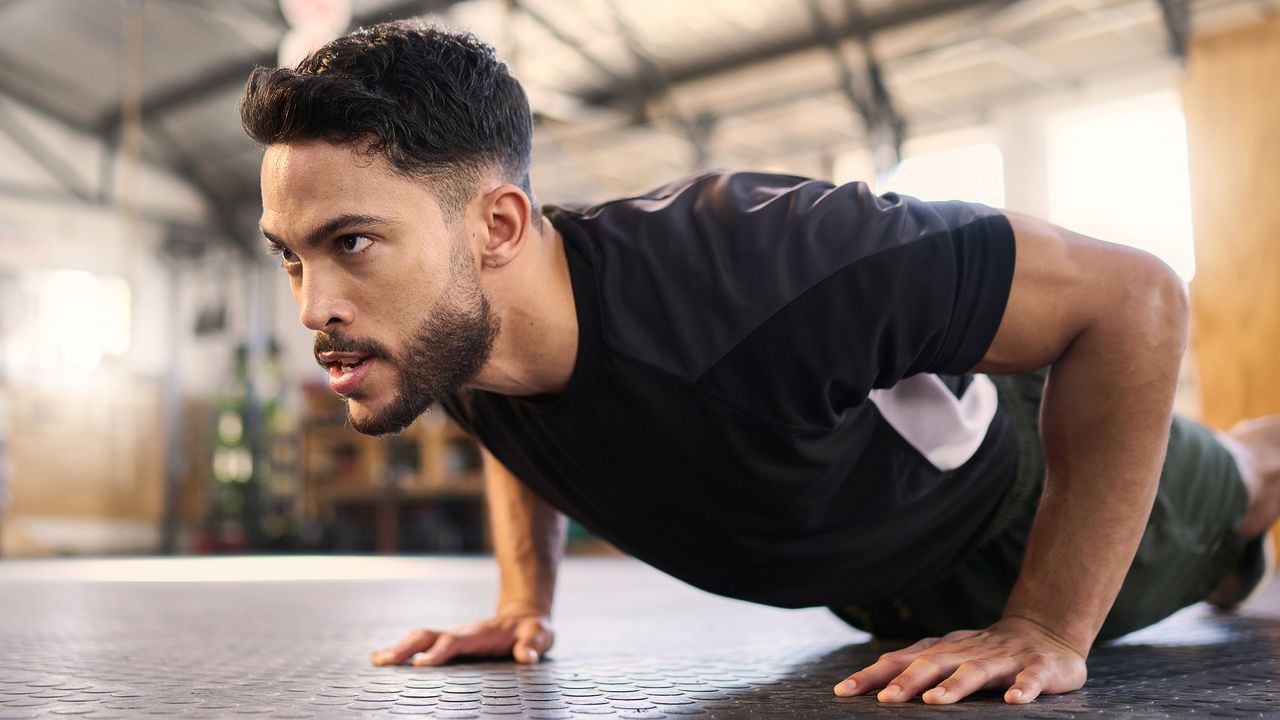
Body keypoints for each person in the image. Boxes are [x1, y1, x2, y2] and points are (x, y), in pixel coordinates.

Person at [239, 19, 1279, 705]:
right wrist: (525, 602)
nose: (313, 305)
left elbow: (1134, 296)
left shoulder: (762, 262)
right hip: (876, 595)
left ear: (497, 226)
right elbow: (518, 416)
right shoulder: (443, 335)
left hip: (1021, 513)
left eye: (351, 243)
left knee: (1244, 479)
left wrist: (1047, 621)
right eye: (289, 255)